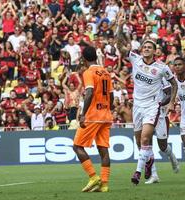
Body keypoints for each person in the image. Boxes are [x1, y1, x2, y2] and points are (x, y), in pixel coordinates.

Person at [116, 16, 178, 185]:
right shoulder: (135, 59)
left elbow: (174, 84)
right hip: (137, 106)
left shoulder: (161, 68)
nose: (146, 49)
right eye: (145, 46)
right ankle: (150, 164)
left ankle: (137, 172)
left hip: (153, 106)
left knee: (146, 139)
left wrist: (171, 102)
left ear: (155, 51)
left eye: (150, 47)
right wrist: (120, 27)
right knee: (139, 142)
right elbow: (119, 47)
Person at [73, 46, 114, 192]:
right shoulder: (106, 72)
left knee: (77, 146)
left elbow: (89, 92)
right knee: (103, 150)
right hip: (106, 115)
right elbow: (111, 96)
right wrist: (108, 109)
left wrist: (83, 114)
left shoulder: (88, 72)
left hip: (93, 116)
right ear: (96, 57)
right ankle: (104, 184)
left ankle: (93, 176)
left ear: (84, 59)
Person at [142, 79, 180, 184]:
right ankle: (154, 175)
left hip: (161, 117)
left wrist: (158, 104)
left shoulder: (161, 79)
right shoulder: (142, 78)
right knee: (147, 144)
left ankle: (173, 158)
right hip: (147, 115)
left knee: (162, 147)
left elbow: (169, 94)